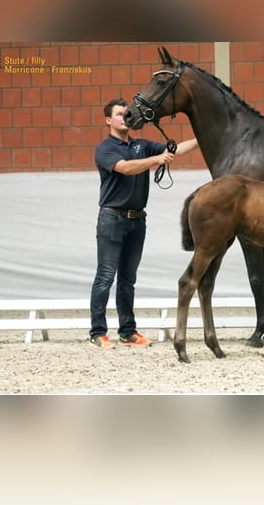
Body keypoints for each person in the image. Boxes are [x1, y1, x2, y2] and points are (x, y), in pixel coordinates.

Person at [89, 98, 199, 349]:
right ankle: (97, 331)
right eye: (119, 114)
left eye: (126, 113)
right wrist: (155, 160)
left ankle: (128, 331)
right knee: (105, 276)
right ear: (108, 120)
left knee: (128, 279)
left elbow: (174, 150)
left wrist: (203, 137)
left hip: (137, 220)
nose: (124, 117)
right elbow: (126, 168)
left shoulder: (141, 144)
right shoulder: (105, 149)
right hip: (112, 218)